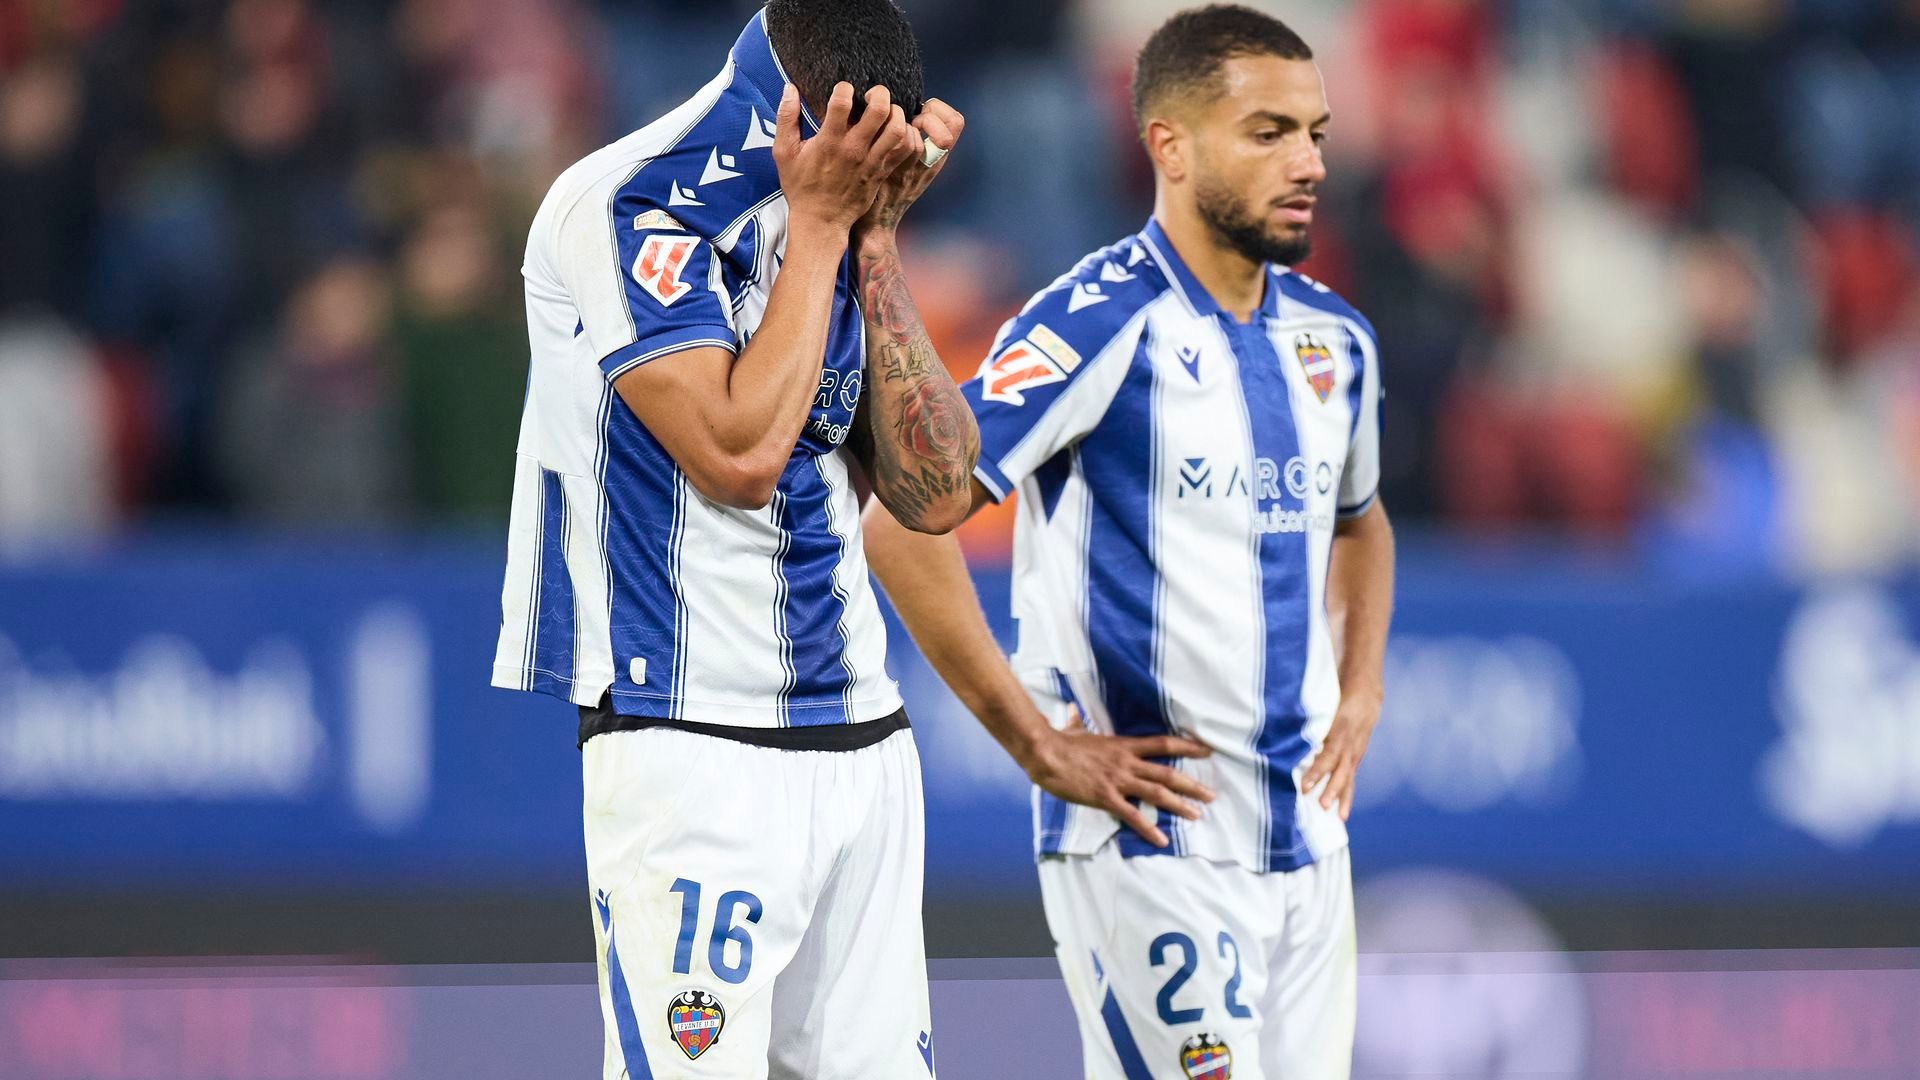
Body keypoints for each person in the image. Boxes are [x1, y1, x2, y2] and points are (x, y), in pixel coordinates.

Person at [863, 6, 1394, 1078]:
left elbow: (1361, 518)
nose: (1307, 163)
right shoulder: (1094, 324)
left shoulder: (1335, 341)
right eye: (1269, 132)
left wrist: (1364, 682)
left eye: (1317, 133)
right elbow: (902, 524)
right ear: (1171, 146)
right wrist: (1033, 740)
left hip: (1307, 846)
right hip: (1154, 842)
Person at [489, 2, 978, 1076]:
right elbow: (737, 454)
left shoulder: (846, 209)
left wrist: (878, 242)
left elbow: (938, 493)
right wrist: (815, 233)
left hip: (862, 737)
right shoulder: (629, 202)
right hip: (690, 740)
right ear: (809, 112)